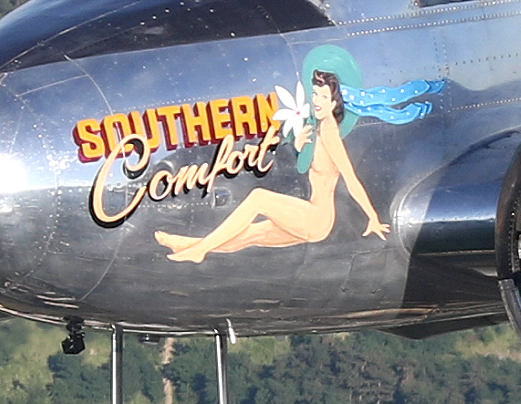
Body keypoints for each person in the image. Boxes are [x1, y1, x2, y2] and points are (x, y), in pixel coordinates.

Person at [155, 69, 388, 263]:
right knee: (250, 235)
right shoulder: (319, 130)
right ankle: (190, 245)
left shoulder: (330, 133)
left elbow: (350, 178)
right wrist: (298, 145)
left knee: (259, 198)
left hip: (317, 218)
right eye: (315, 94)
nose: (316, 101)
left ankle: (198, 250)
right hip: (312, 216)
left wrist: (372, 217)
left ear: (335, 102)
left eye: (324, 97)